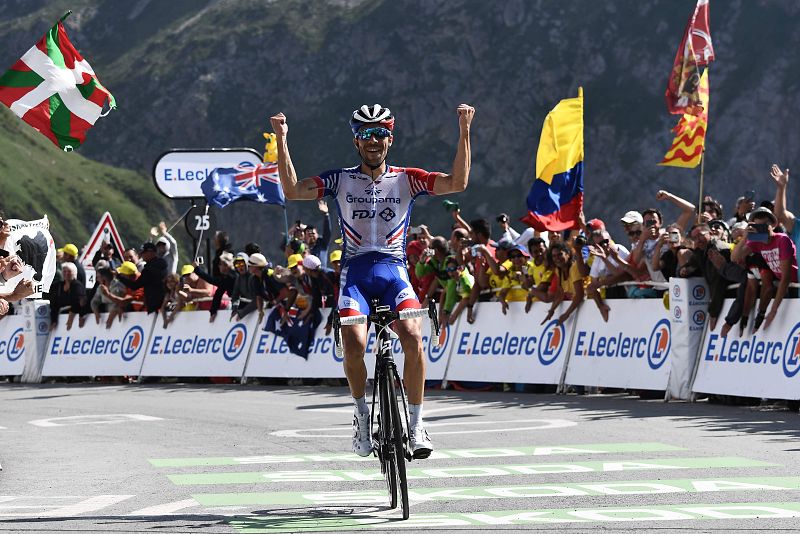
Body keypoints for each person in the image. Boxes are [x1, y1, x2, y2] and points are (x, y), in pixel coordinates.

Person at [271, 102, 474, 458]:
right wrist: (282, 138)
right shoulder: (340, 179)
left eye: (380, 133)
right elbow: (292, 190)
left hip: (395, 272)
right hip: (356, 275)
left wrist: (464, 129)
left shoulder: (407, 178)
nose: (374, 140)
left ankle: (416, 424)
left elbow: (457, 182)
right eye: (366, 134)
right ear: (356, 141)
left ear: (390, 139)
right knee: (353, 344)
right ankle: (362, 416)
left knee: (413, 337)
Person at [732, 207, 798, 331]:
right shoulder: (756, 242)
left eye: (764, 226)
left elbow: (786, 278)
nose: (761, 230)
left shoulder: (782, 240)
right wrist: (744, 238)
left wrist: (773, 310)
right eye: (757, 226)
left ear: (773, 225)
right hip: (788, 287)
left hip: (795, 284)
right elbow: (734, 257)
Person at [117, 242, 167, 314]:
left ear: (151, 252)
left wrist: (119, 277)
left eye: (144, 252)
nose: (142, 255)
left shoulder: (149, 269)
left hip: (156, 305)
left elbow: (135, 286)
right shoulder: (160, 264)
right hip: (159, 304)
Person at [49, 262, 86, 330]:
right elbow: (54, 303)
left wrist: (71, 315)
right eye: (64, 271)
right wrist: (53, 320)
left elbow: (78, 302)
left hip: (74, 319)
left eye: (69, 271)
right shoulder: (59, 286)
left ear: (74, 273)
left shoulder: (77, 285)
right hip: (61, 319)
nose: (66, 273)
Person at [305, 200, 332, 269]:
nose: (311, 236)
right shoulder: (302, 248)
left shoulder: (322, 244)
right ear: (304, 236)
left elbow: (327, 232)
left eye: (313, 233)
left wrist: (326, 215)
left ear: (317, 234)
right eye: (309, 234)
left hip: (322, 275)